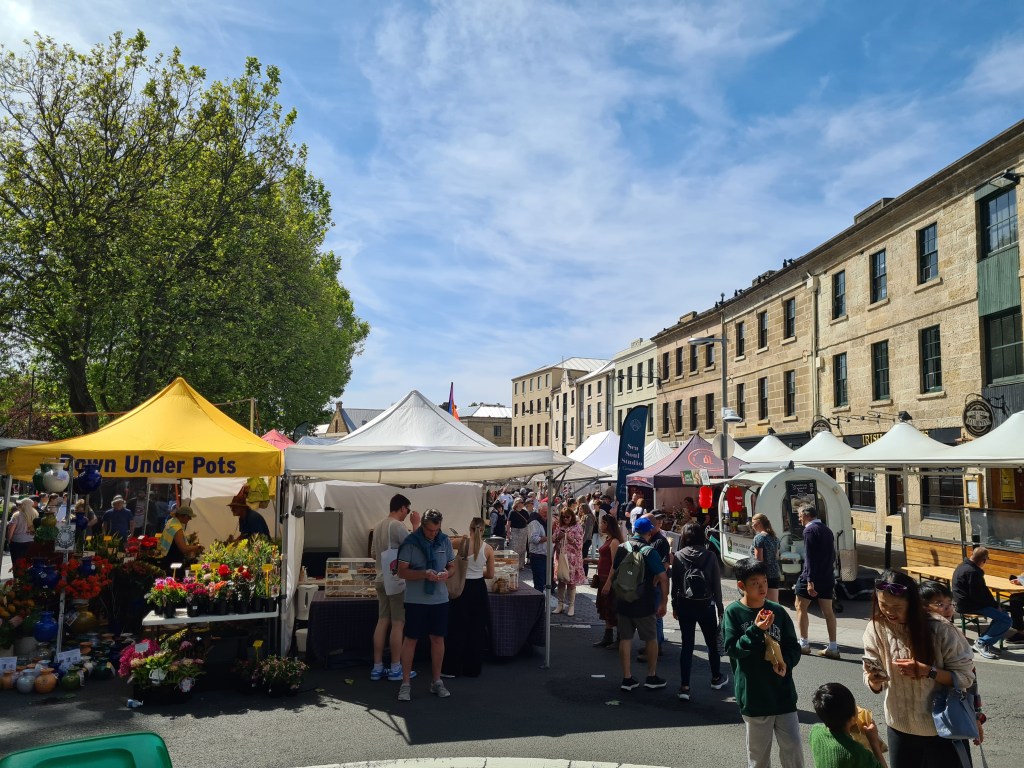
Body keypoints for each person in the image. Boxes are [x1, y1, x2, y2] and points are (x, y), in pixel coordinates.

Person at [862, 569, 976, 768]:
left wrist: (927, 671)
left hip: (942, 729)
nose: (889, 611)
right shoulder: (875, 627)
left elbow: (966, 677)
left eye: (897, 606)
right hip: (899, 727)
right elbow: (869, 673)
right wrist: (873, 680)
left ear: (912, 603)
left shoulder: (941, 629)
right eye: (883, 604)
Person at [722, 558, 803, 768]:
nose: (762, 587)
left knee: (793, 748)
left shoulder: (778, 611)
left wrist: (787, 662)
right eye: (755, 582)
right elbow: (732, 649)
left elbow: (793, 646)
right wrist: (756, 630)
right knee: (758, 757)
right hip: (754, 697)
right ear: (741, 586)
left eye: (765, 581)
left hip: (783, 693)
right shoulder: (733, 613)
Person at [602, 516, 668, 692]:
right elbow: (663, 577)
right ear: (650, 531)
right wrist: (664, 601)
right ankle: (651, 676)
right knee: (650, 639)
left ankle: (627, 678)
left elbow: (614, 570)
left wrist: (609, 585)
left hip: (623, 598)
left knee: (625, 639)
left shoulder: (623, 547)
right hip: (643, 602)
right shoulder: (649, 551)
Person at [396, 508, 455, 701]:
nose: (433, 534)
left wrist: (447, 574)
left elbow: (452, 566)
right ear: (422, 526)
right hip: (415, 601)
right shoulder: (410, 543)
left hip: (440, 600)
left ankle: (436, 681)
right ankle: (405, 683)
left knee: (438, 639)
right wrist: (423, 574)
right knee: (411, 640)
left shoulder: (444, 540)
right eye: (430, 530)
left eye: (436, 530)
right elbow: (401, 572)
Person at [919, 581, 985, 747]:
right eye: (940, 604)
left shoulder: (952, 633)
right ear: (923, 607)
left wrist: (975, 716)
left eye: (950, 604)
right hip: (936, 715)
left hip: (952, 714)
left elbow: (970, 679)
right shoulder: (919, 632)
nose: (948, 609)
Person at [671, 522, 727, 702]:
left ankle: (685, 686)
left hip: (685, 605)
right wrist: (720, 607)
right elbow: (716, 584)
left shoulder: (679, 555)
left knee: (687, 646)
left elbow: (676, 583)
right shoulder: (710, 556)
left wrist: (674, 605)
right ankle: (716, 677)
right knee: (712, 643)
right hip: (706, 605)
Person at [370, 493, 420, 681]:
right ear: (401, 508)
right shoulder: (397, 526)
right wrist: (416, 525)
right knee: (398, 623)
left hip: (380, 577)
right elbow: (414, 545)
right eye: (407, 510)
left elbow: (374, 554)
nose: (407, 514)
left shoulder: (378, 526)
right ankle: (396, 667)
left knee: (382, 620)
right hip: (396, 580)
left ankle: (377, 666)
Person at [442, 517, 494, 678]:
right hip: (479, 588)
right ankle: (472, 669)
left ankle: (451, 668)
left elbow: (445, 546)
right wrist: (478, 572)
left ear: (470, 528)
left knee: (457, 628)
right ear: (482, 530)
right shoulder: (488, 549)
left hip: (462, 588)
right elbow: (490, 574)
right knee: (476, 629)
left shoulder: (461, 542)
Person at [794, 506, 840, 659]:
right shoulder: (827, 530)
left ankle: (804, 643)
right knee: (828, 611)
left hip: (812, 576)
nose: (799, 518)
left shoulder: (809, 530)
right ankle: (833, 646)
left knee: (800, 607)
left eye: (800, 515)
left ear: (806, 515)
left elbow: (809, 557)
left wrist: (809, 580)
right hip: (827, 576)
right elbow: (832, 555)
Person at [810, 682, 888, 768]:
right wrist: (874, 743)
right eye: (855, 706)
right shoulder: (857, 752)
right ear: (852, 719)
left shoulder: (815, 732)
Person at [951, 546, 1011, 658]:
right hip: (969, 605)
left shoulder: (963, 566)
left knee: (1003, 615)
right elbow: (979, 595)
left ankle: (987, 642)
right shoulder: (973, 572)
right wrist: (995, 606)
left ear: (971, 555)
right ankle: (982, 642)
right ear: (984, 560)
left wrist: (995, 605)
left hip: (964, 603)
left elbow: (981, 592)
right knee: (1006, 620)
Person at [590, 513, 623, 648]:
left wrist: (609, 583)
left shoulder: (614, 541)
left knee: (612, 609)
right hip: (603, 578)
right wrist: (593, 560)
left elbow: (615, 564)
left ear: (608, 525)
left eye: (602, 523)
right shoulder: (608, 539)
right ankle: (608, 637)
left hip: (610, 580)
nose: (600, 525)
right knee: (606, 609)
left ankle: (619, 639)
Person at [552, 505, 586, 616]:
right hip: (561, 557)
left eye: (568, 516)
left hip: (573, 559)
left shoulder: (577, 527)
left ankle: (571, 606)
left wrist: (570, 539)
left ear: (572, 516)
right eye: (563, 517)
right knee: (561, 580)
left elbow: (580, 545)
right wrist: (559, 537)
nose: (566, 519)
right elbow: (553, 539)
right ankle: (560, 605)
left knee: (571, 582)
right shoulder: (559, 526)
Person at [156, 505, 202, 572]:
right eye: (189, 517)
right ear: (185, 516)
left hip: (166, 557)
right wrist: (197, 547)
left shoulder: (171, 521)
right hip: (173, 561)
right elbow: (183, 549)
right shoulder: (177, 528)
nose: (190, 519)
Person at [751, 513, 782, 603]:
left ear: (759, 523)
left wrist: (756, 576)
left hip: (763, 574)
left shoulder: (759, 538)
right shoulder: (774, 537)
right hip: (774, 572)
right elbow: (777, 556)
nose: (752, 526)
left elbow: (758, 560)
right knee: (774, 602)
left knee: (760, 602)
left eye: (753, 523)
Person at [527, 502, 550, 594]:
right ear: (539, 511)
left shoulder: (547, 521)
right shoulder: (534, 522)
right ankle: (538, 604)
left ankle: (542, 601)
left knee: (545, 581)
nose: (546, 514)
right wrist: (548, 538)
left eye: (547, 512)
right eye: (544, 512)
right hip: (537, 555)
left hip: (546, 555)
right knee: (539, 583)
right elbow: (533, 538)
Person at [508, 498, 530, 570]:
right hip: (514, 531)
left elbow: (528, 523)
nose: (523, 504)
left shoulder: (525, 512)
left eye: (523, 502)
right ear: (517, 503)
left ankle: (520, 565)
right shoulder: (512, 512)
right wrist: (508, 533)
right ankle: (512, 565)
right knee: (514, 548)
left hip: (523, 531)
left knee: (522, 549)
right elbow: (508, 523)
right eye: (521, 502)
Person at [581, 500, 596, 577]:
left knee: (584, 557)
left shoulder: (589, 517)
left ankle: (585, 574)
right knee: (583, 557)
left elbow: (587, 531)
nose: (580, 510)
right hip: (585, 540)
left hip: (586, 540)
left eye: (581, 508)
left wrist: (582, 541)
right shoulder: (585, 516)